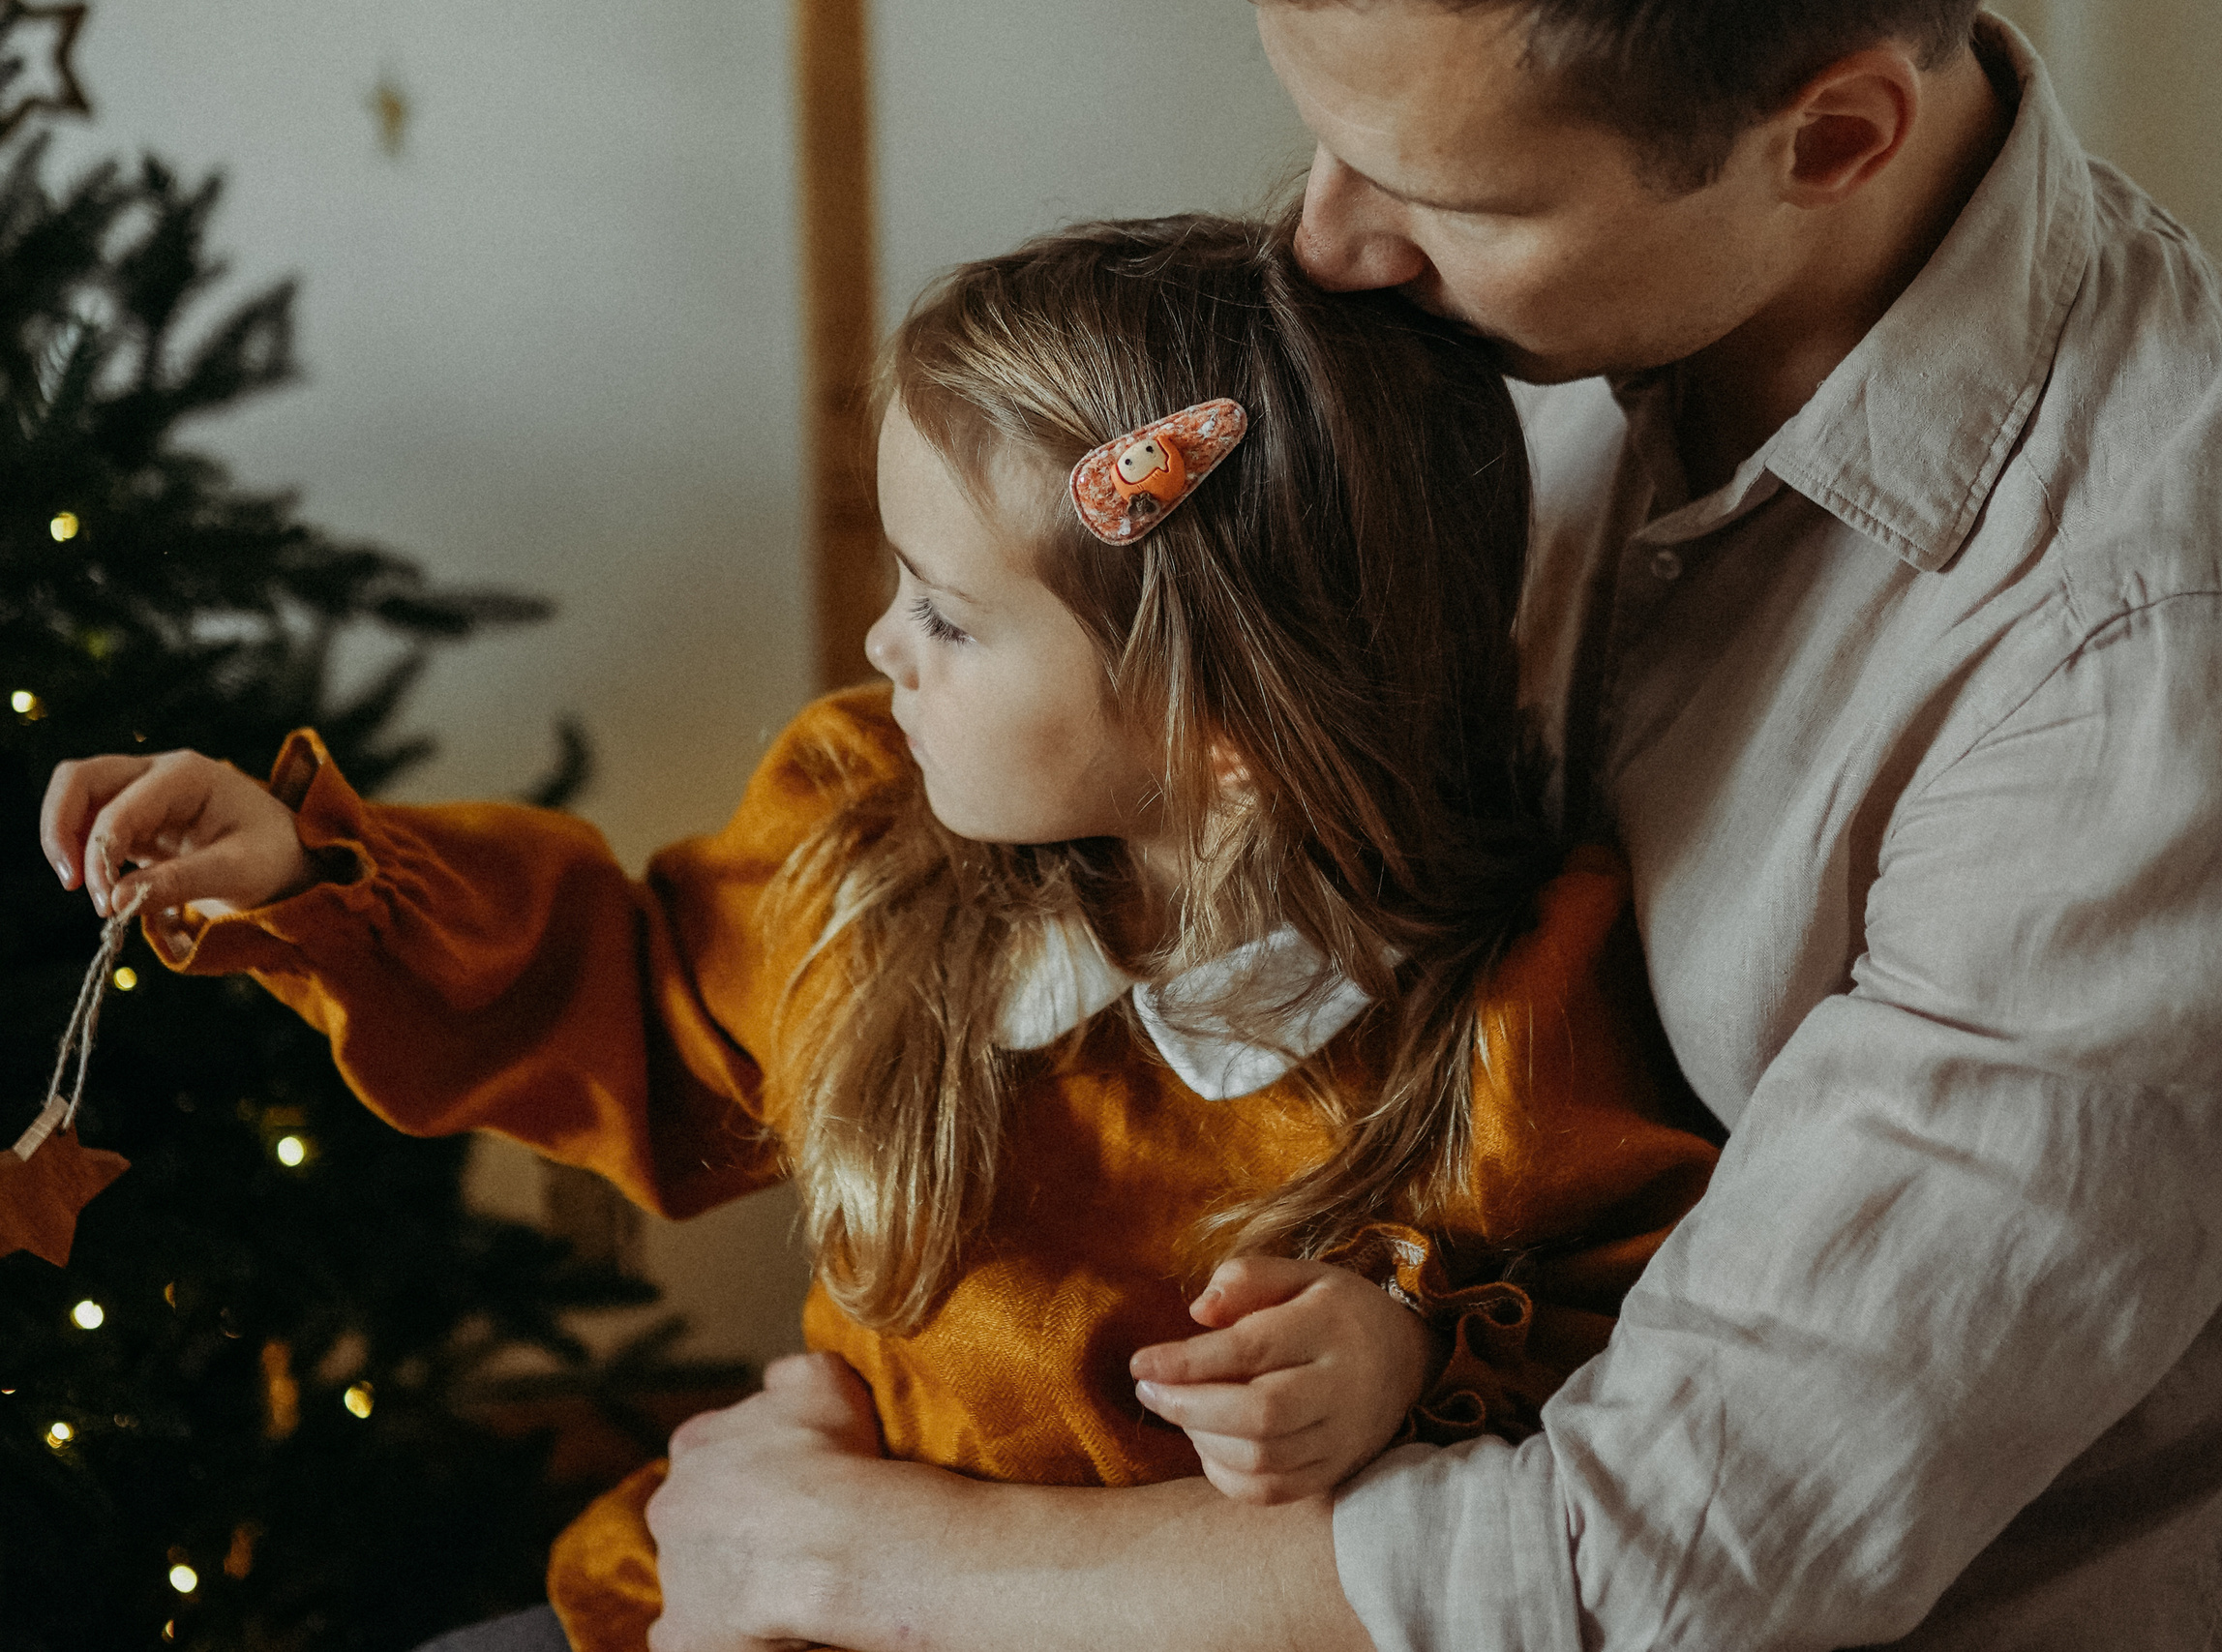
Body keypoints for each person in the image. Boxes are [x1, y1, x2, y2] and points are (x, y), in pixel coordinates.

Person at [631, 4, 2222, 1650]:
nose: (1322, 248)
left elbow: (1668, 1562)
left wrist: (848, 1561)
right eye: (1321, 138)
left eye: (1448, 199)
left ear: (1830, 142)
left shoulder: (2137, 667)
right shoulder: (1528, 321)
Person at [36, 218, 1719, 1647]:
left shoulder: (1504, 1006)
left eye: (949, 615)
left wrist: (1404, 1348)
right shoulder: (866, 853)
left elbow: (1626, 1355)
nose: (879, 640)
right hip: (771, 1597)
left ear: (1225, 727)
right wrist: (310, 881)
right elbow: (614, 986)